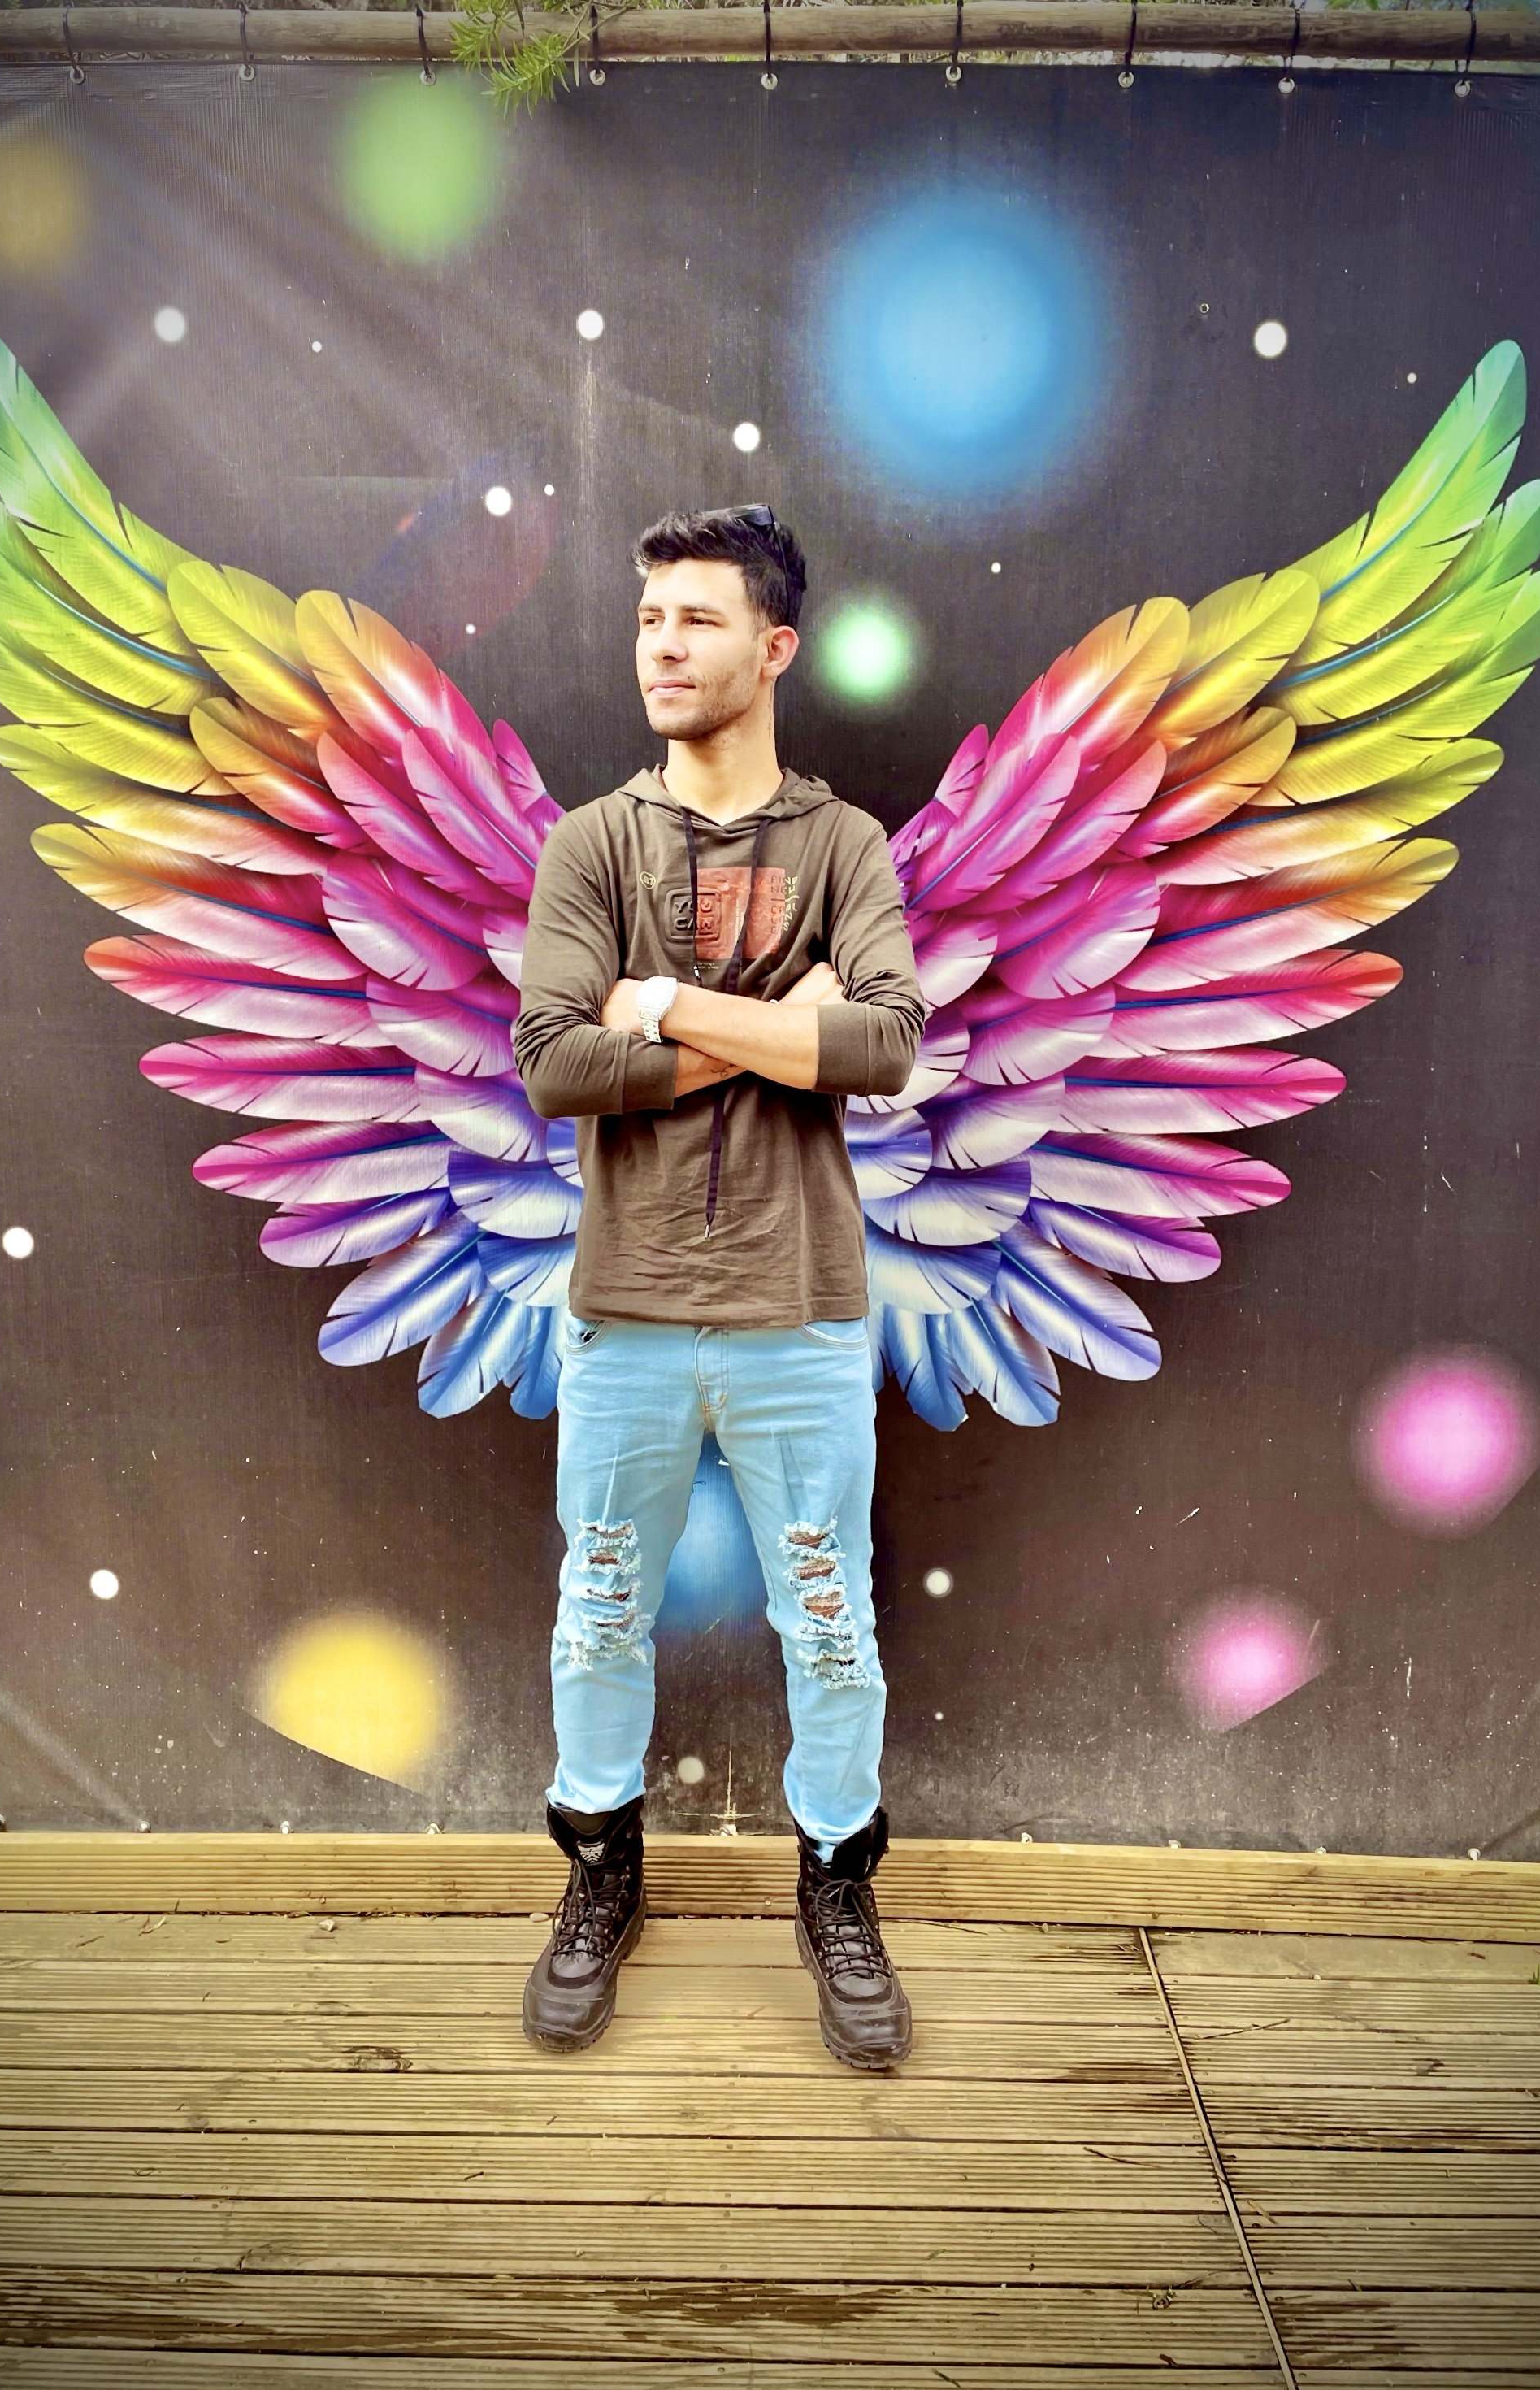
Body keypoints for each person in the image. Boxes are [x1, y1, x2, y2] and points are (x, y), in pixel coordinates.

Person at [511, 506, 926, 2071]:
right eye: (649, 620)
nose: (664, 647)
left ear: (775, 645)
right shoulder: (591, 846)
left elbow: (885, 1045)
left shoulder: (844, 847)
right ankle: (600, 1876)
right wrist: (775, 1028)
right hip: (623, 1312)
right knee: (599, 1611)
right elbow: (557, 1066)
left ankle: (838, 1890)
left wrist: (667, 1005)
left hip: (800, 1312)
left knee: (830, 1624)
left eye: (697, 619)